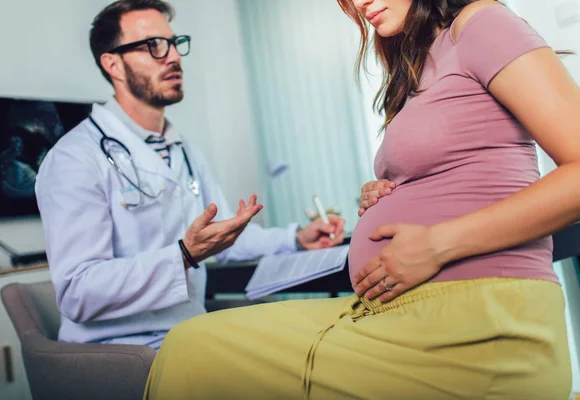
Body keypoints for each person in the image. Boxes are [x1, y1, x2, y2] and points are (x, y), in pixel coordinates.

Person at [143, 0, 578, 399]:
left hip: (482, 328)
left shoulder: (482, 24)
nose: (359, 2)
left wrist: (436, 243)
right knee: (191, 343)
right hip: (394, 314)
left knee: (197, 353)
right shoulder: (423, 60)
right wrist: (393, 187)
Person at [34, 0, 347, 351]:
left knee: (313, 340)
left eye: (173, 43)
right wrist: (183, 255)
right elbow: (78, 292)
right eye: (153, 46)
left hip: (187, 333)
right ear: (113, 64)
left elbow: (223, 239)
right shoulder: (75, 158)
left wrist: (296, 239)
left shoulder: (185, 150)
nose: (172, 57)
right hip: (122, 350)